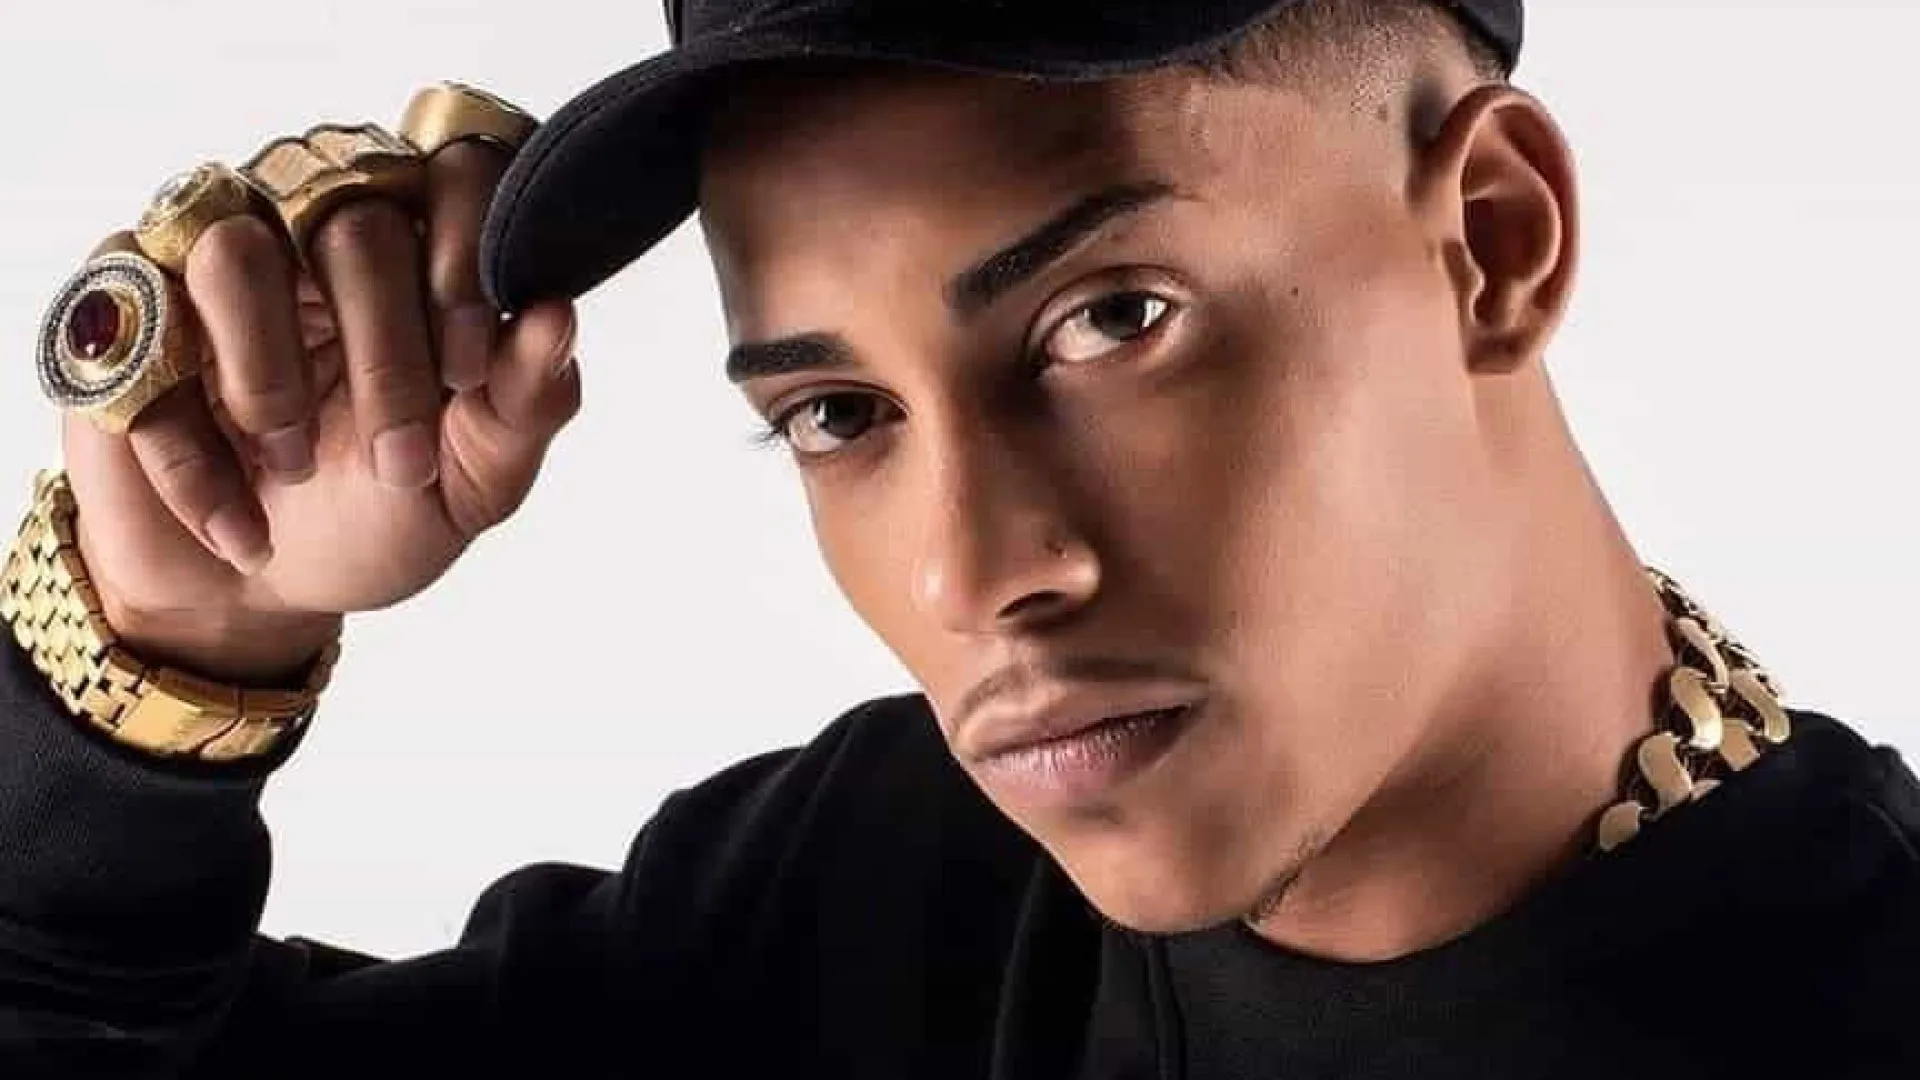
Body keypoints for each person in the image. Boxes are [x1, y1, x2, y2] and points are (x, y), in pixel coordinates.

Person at [1, 0, 1915, 1075]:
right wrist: (167, 644)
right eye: (837, 414)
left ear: (1492, 241)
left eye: (1111, 320)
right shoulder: (872, 896)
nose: (969, 573)